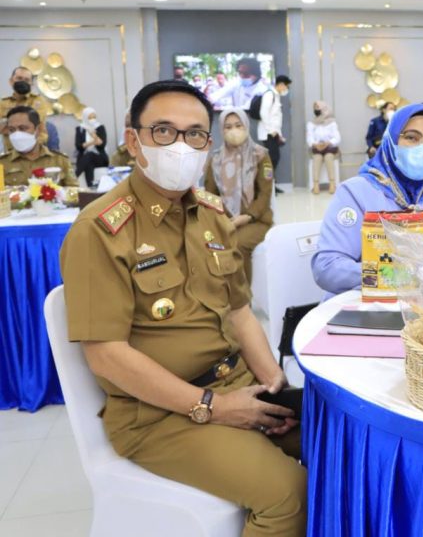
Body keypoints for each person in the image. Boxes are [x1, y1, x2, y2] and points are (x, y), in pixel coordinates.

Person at [59, 80, 307, 536]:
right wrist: (212, 406)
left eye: (194, 134)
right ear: (133, 140)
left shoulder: (212, 214)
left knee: (342, 450)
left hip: (237, 385)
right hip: (158, 415)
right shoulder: (100, 231)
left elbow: (239, 313)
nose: (180, 145)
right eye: (163, 131)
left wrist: (273, 382)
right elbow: (106, 354)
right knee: (288, 493)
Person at [312, 102, 423, 298]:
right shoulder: (356, 192)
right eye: (411, 138)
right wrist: (400, 276)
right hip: (366, 310)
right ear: (390, 141)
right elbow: (327, 268)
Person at [203, 107, 274, 283]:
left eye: (238, 125)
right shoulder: (216, 159)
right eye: (228, 127)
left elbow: (265, 195)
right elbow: (210, 196)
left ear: (246, 126)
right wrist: (222, 220)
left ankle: (242, 303)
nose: (233, 130)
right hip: (224, 220)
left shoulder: (260, 155)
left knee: (238, 244)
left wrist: (247, 216)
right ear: (221, 130)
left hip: (256, 220)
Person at [1, 106, 77, 186]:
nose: (17, 134)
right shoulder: (2, 163)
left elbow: (75, 193)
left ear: (38, 129)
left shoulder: (60, 160)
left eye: (23, 128)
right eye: (12, 130)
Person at [1, 66, 53, 150]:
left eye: (26, 80)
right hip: (10, 152)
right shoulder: (3, 103)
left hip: (35, 150)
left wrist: (8, 124)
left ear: (31, 83)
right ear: (11, 81)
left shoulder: (39, 101)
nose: (23, 81)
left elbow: (36, 126)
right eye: (19, 78)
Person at [258, 74, 291, 191]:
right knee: (272, 159)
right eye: (286, 87)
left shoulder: (276, 96)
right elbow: (263, 113)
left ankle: (271, 184)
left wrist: (279, 135)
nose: (286, 89)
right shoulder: (269, 95)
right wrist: (270, 130)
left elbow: (276, 119)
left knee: (274, 159)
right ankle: (267, 185)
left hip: (274, 134)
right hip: (268, 133)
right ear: (281, 84)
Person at [306, 100, 340, 194]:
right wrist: (315, 144)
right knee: (317, 158)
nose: (316, 110)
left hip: (329, 148)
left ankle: (332, 184)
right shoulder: (311, 123)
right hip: (317, 148)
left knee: (328, 157)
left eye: (318, 108)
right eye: (315, 108)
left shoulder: (332, 123)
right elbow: (309, 138)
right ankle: (315, 185)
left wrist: (328, 143)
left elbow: (337, 138)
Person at [74, 107, 110, 187]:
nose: (92, 119)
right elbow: (78, 146)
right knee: (89, 163)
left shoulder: (100, 127)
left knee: (90, 155)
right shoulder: (80, 129)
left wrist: (93, 135)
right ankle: (91, 187)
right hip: (85, 159)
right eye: (90, 117)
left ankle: (74, 177)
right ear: (85, 117)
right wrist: (92, 142)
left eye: (94, 117)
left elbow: (102, 144)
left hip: (100, 158)